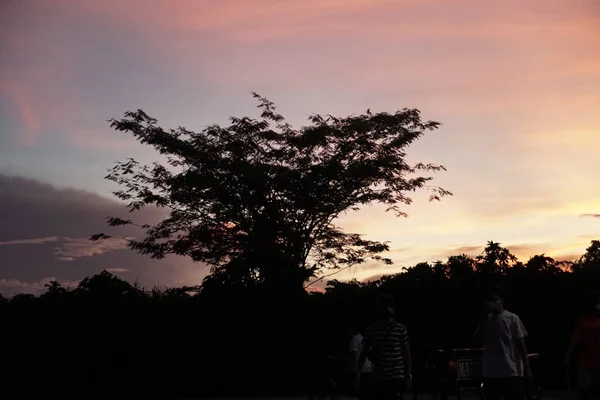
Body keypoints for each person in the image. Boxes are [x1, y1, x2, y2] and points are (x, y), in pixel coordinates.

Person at [475, 286, 532, 400]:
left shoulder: (512, 318)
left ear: (502, 300)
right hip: (491, 372)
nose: (492, 303)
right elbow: (477, 339)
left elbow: (521, 345)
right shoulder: (486, 320)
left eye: (495, 300)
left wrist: (526, 367)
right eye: (490, 300)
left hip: (511, 371)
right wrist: (483, 317)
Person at [356, 294, 412, 400]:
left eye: (387, 305)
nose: (385, 308)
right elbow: (364, 351)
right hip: (378, 376)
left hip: (396, 376)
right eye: (383, 305)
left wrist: (408, 375)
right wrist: (358, 371)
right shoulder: (371, 329)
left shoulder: (400, 328)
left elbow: (407, 354)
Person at [565, 292, 600, 400]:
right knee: (585, 389)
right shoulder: (582, 322)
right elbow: (575, 340)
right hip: (585, 361)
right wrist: (567, 356)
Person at [349, 323, 372, 398]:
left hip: (359, 368)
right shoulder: (367, 338)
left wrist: (353, 369)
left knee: (358, 392)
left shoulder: (355, 338)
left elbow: (354, 355)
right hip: (368, 368)